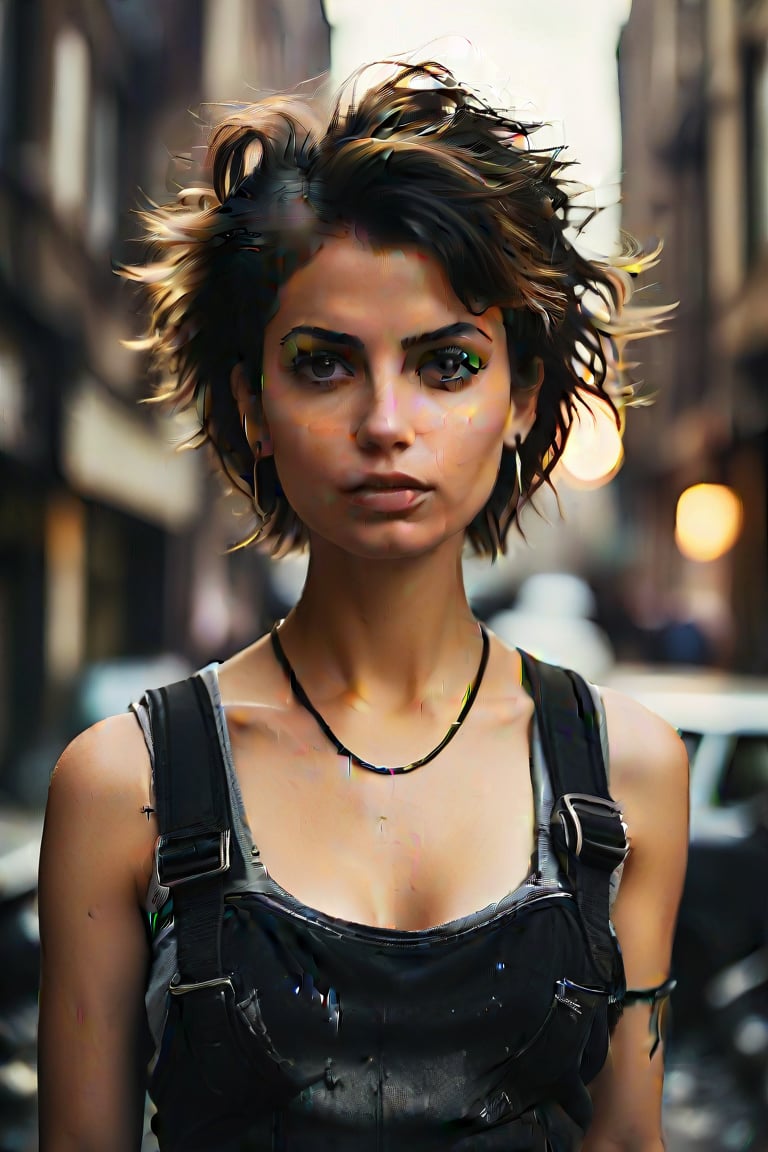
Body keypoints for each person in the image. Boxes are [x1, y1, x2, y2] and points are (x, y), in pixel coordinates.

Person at [37, 58, 688, 1152]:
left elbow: (627, 1138)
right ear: (252, 404)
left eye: (445, 365)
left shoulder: (626, 775)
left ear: (522, 399)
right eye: (324, 363)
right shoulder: (125, 788)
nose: (387, 422)